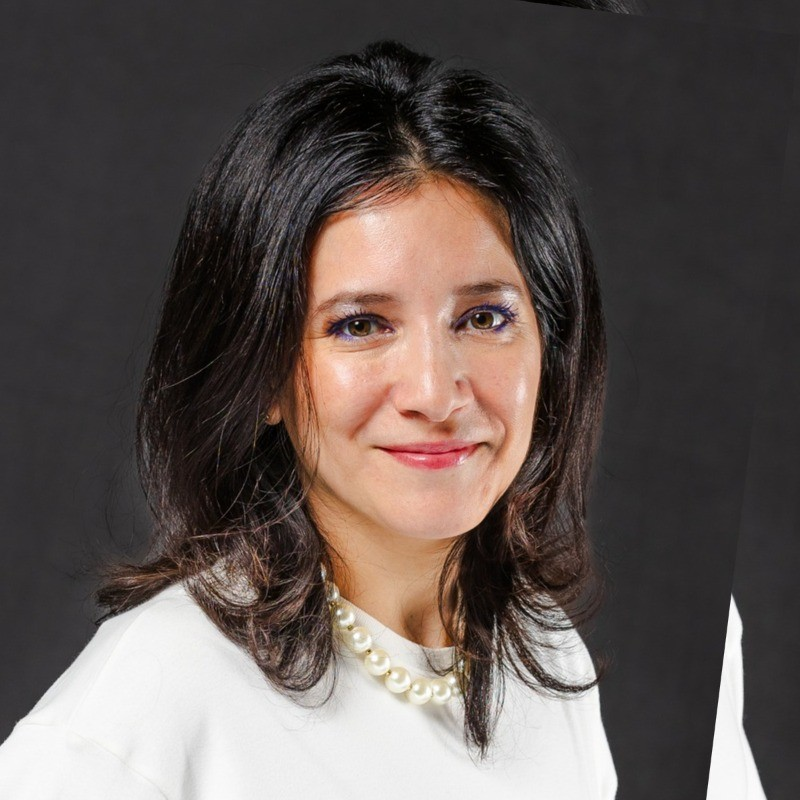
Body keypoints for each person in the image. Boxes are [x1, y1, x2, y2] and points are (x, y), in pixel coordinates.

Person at [0, 37, 758, 799]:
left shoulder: (543, 648)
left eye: (485, 318)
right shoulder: (143, 712)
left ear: (551, 350)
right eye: (359, 325)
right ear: (261, 372)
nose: (435, 392)